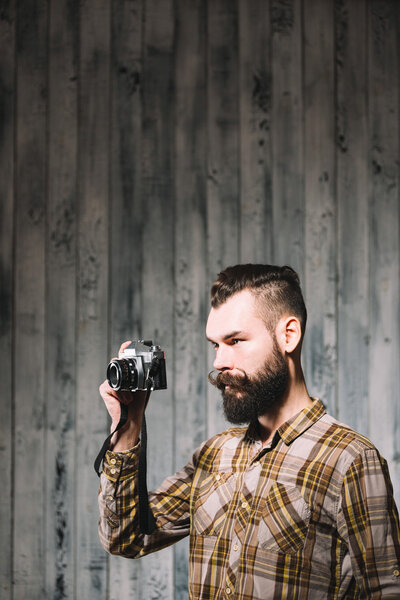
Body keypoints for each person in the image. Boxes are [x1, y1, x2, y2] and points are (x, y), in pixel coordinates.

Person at [98, 264, 400, 599]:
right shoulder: (214, 455)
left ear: (289, 335)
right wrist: (129, 424)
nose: (219, 362)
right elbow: (125, 538)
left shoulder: (350, 460)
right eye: (216, 345)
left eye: (236, 341)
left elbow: (386, 590)